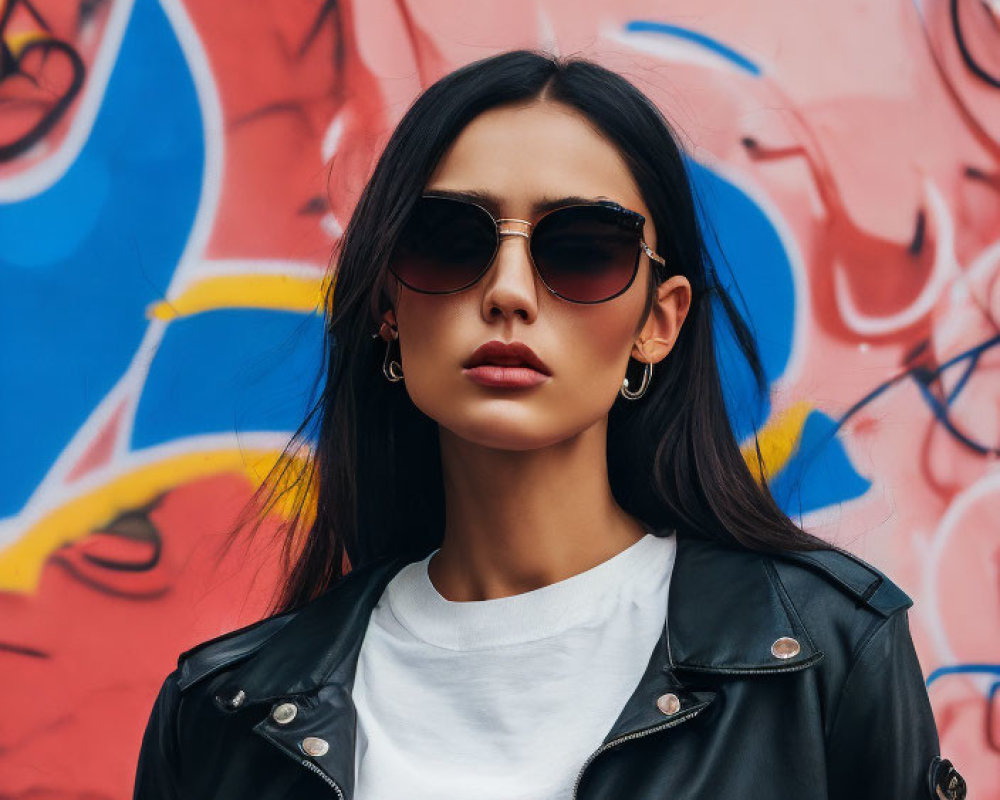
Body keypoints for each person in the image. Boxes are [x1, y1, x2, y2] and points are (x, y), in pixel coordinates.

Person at [132, 49, 967, 800]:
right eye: (449, 238)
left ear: (660, 322)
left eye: (582, 248)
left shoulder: (824, 657)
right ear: (388, 303)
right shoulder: (224, 718)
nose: (509, 291)